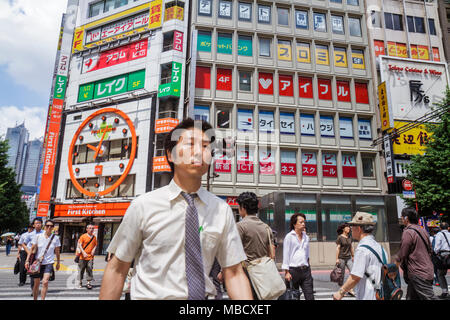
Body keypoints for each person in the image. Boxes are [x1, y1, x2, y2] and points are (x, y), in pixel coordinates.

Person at [99, 118, 253, 300]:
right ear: (170, 155)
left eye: (205, 146)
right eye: (190, 144)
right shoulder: (143, 206)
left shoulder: (221, 210)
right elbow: (117, 269)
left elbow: (234, 272)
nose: (199, 152)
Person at [333, 211, 386, 300]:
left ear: (359, 228)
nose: (350, 228)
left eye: (352, 226)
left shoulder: (362, 249)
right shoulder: (380, 247)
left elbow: (355, 277)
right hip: (381, 295)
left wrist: (340, 292)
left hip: (368, 296)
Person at [236, 191, 275, 299]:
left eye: (239, 206)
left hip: (246, 274)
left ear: (243, 207)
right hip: (264, 274)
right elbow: (272, 254)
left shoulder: (240, 226)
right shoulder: (266, 227)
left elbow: (234, 253)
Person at [395, 207, 436, 300]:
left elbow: (403, 252)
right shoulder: (422, 230)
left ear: (406, 218)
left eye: (402, 217)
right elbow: (430, 249)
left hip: (418, 272)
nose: (402, 219)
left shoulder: (408, 232)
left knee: (429, 298)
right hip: (426, 269)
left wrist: (394, 264)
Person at [25, 220, 61, 300]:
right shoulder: (38, 236)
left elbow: (57, 252)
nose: (49, 227)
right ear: (44, 227)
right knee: (36, 283)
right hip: (38, 263)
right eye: (47, 225)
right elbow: (32, 249)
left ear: (53, 228)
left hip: (49, 263)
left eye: (51, 226)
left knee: (45, 282)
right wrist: (27, 260)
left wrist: (58, 262)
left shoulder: (56, 238)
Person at [282, 213, 315, 300]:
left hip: (305, 271)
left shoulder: (306, 237)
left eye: (304, 222)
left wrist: (308, 267)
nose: (303, 224)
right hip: (293, 271)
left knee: (310, 296)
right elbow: (286, 254)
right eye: (301, 222)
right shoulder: (289, 237)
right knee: (293, 297)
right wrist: (286, 272)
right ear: (294, 224)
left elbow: (307, 254)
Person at [22, 218, 44, 292]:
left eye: (39, 223)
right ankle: (33, 289)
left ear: (41, 224)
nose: (38, 224)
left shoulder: (44, 233)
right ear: (33, 225)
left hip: (42, 256)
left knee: (41, 273)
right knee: (33, 272)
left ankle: (36, 287)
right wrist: (29, 252)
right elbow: (23, 244)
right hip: (33, 256)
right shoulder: (30, 235)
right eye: (36, 223)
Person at [335, 223, 355, 297]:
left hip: (349, 258)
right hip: (341, 258)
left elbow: (351, 247)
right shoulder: (340, 237)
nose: (349, 229)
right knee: (341, 275)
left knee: (353, 272)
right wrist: (337, 259)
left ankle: (350, 289)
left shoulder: (350, 237)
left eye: (349, 228)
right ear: (343, 229)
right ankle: (341, 291)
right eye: (347, 228)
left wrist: (353, 256)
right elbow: (338, 248)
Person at [77, 224, 97, 290]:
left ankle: (88, 283)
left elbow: (95, 245)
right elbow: (80, 245)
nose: (91, 229)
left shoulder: (94, 237)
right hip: (82, 257)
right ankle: (80, 282)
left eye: (92, 228)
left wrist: (94, 250)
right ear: (87, 229)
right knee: (81, 270)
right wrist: (83, 252)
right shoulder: (83, 236)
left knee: (89, 269)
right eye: (90, 228)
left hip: (90, 257)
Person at [434, 222, 450, 298]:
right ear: (448, 228)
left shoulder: (439, 235)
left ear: (440, 228)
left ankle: (445, 291)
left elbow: (436, 248)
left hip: (444, 257)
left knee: (440, 274)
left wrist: (436, 253)